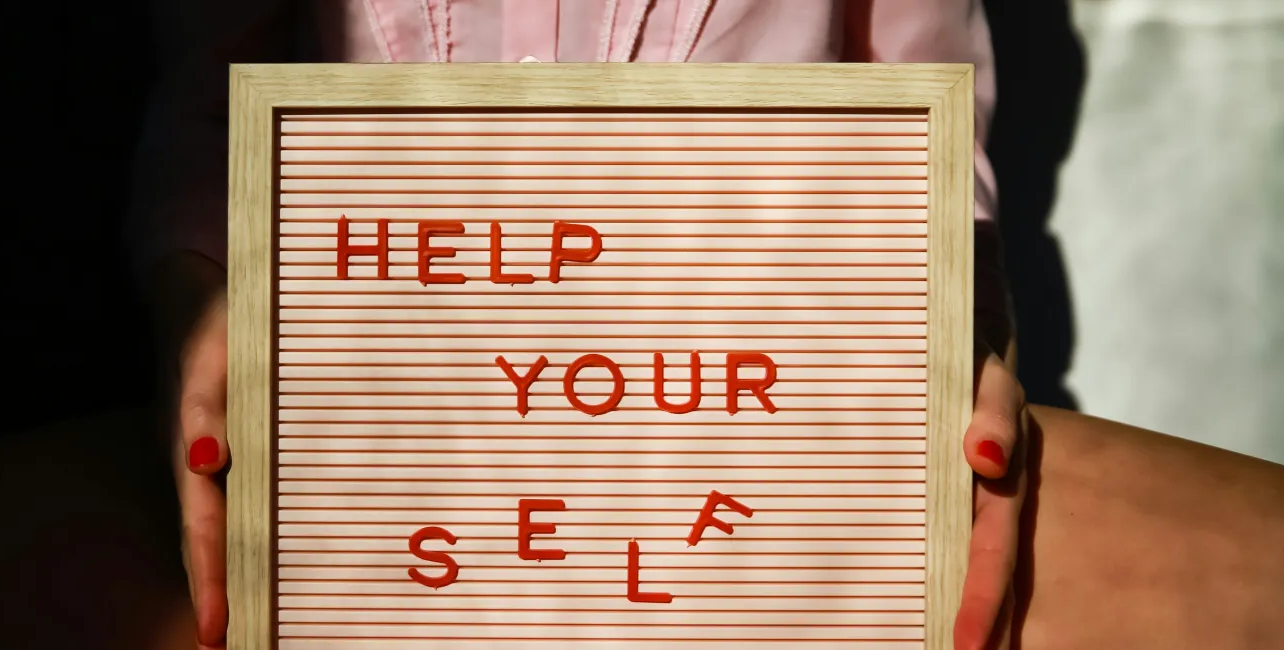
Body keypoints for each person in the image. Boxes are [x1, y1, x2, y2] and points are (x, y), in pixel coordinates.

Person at [130, 2, 1019, 648]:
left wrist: (956, 322)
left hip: (749, 463)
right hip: (394, 458)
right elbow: (211, 109)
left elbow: (922, 131)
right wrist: (201, 302)